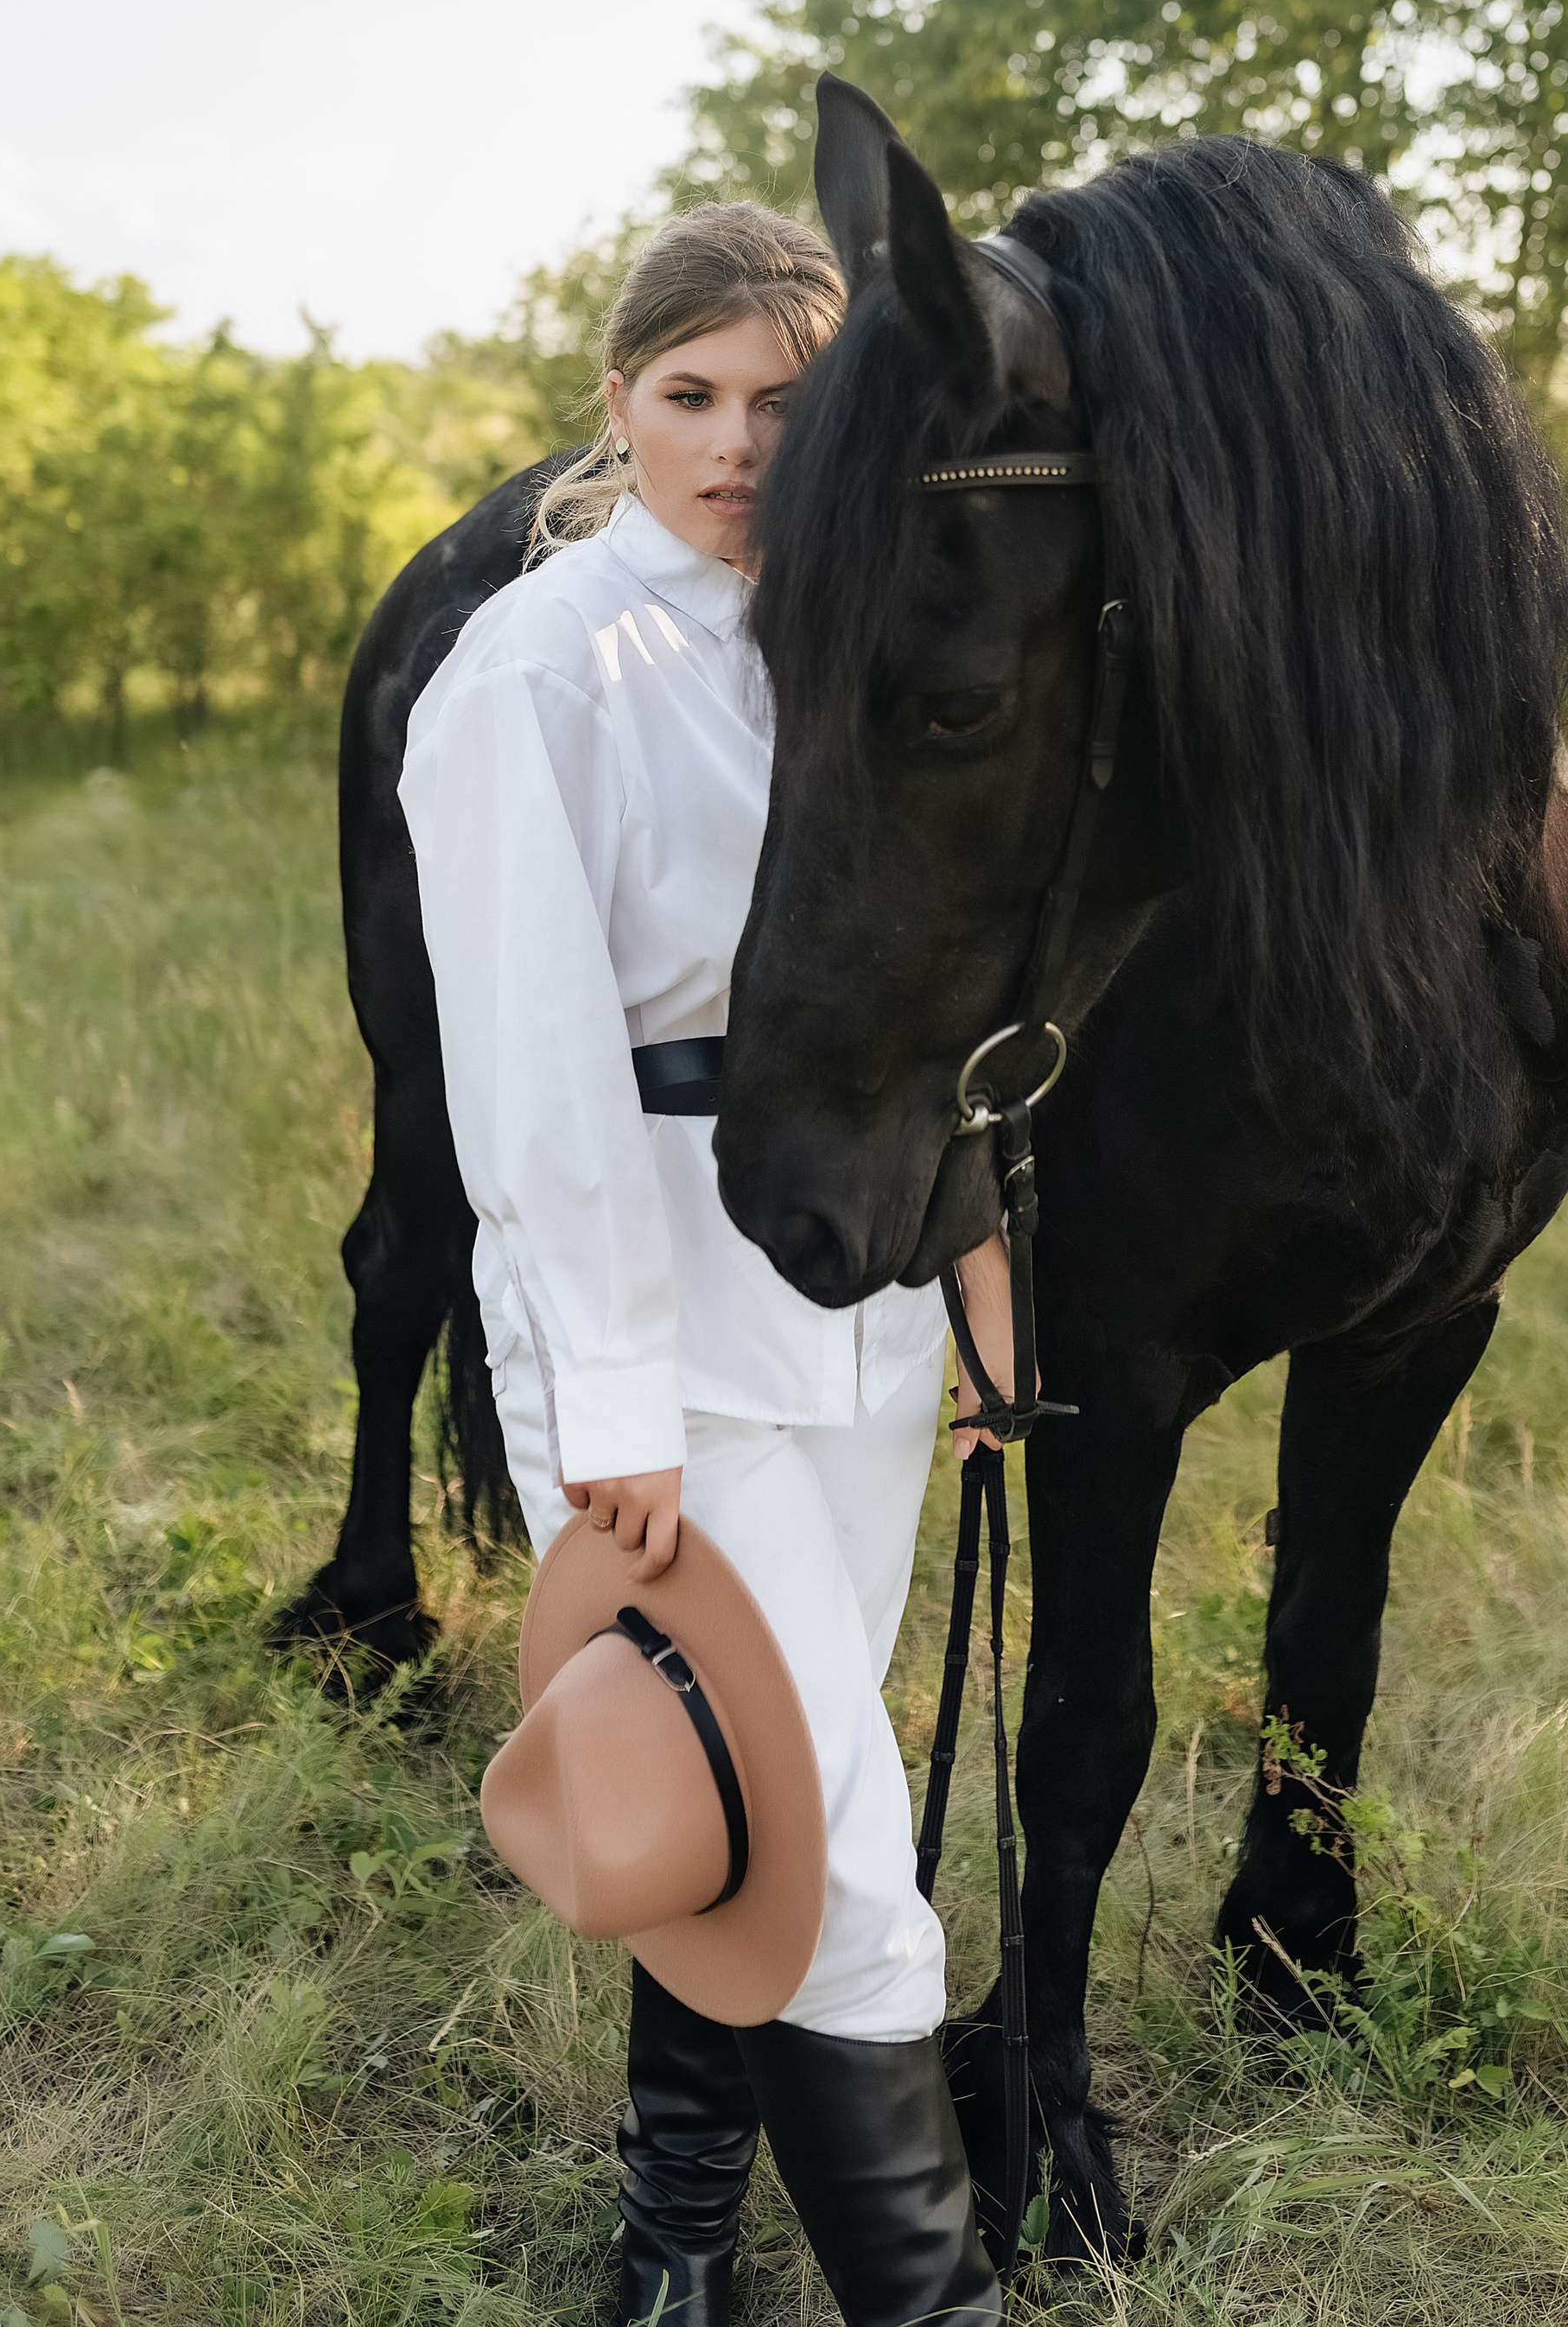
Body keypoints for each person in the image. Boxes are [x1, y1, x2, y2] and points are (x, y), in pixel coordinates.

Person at [397, 204, 1006, 2327]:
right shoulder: (537, 667)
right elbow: (536, 1073)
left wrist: (975, 1270)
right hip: (653, 1311)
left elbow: (943, 991)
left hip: (864, 1283)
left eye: (785, 401)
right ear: (619, 402)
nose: (737, 441)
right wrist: (614, 1396)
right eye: (691, 394)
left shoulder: (874, 644)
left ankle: (672, 2234)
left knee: (755, 1783)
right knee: (841, 1851)